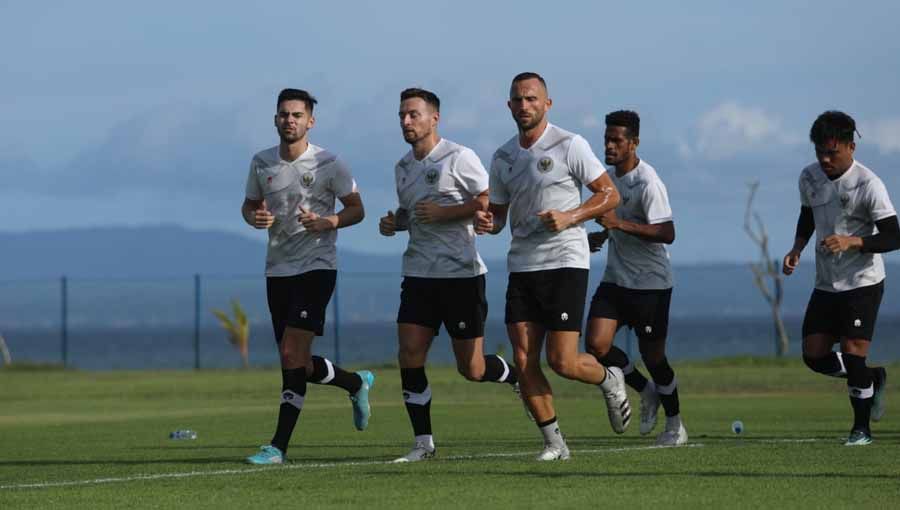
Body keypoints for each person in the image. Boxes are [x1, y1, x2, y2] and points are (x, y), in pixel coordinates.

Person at [474, 72, 629, 461]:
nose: (524, 105)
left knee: (562, 361)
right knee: (524, 360)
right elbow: (498, 219)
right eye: (517, 99)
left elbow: (609, 195)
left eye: (531, 99)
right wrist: (485, 223)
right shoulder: (503, 157)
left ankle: (610, 378)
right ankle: (554, 444)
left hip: (565, 261)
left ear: (547, 104)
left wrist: (572, 216)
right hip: (522, 265)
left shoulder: (569, 144)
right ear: (509, 106)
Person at [379, 88, 520, 463]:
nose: (406, 122)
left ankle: (515, 376)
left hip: (461, 276)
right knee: (409, 353)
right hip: (418, 273)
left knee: (471, 368)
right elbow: (412, 214)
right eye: (402, 116)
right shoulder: (402, 167)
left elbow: (488, 200)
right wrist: (396, 222)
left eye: (413, 115)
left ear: (433, 118)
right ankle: (422, 443)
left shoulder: (460, 157)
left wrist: (447, 213)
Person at [242, 88, 375, 464]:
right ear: (275, 120)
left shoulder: (329, 163)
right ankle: (354, 382)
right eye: (284, 114)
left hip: (317, 266)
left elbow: (357, 209)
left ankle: (277, 447)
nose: (290, 120)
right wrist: (255, 217)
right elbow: (249, 205)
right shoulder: (261, 162)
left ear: (310, 121)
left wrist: (328, 221)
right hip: (277, 269)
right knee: (296, 359)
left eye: (297, 115)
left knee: (289, 353)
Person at [783, 110, 899, 446]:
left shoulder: (869, 185)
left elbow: (894, 236)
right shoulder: (809, 177)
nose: (824, 159)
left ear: (851, 147)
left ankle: (861, 430)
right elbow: (808, 213)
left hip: (862, 282)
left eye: (832, 152)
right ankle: (872, 376)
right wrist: (797, 247)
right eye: (820, 151)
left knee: (853, 351)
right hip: (826, 282)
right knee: (813, 355)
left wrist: (854, 241)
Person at [585, 110, 686, 446]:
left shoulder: (648, 182)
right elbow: (612, 222)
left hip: (651, 284)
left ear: (634, 143)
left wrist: (619, 225)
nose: (609, 146)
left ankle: (675, 427)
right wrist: (601, 238)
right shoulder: (606, 180)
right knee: (596, 345)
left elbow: (668, 232)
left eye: (617, 140)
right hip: (616, 279)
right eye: (606, 139)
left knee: (654, 357)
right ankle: (646, 391)